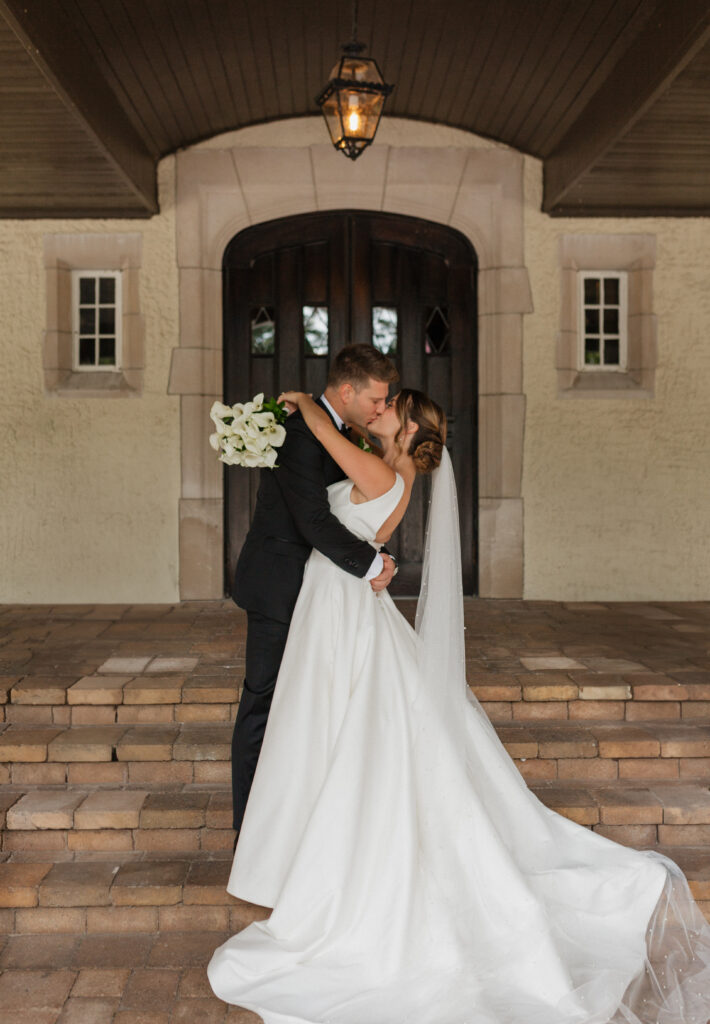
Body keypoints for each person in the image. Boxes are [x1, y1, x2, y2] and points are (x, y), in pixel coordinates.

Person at [210, 388, 710, 1024]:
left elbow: (324, 459)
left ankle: (321, 863)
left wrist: (306, 402)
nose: (379, 407)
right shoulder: (388, 470)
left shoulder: (381, 471)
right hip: (336, 608)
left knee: (343, 733)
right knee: (338, 731)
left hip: (339, 611)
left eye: (389, 404)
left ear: (410, 424)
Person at [229, 344, 400, 843]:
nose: (380, 409)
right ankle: (250, 832)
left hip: (319, 595)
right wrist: (371, 565)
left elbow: (358, 510)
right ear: (347, 390)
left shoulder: (337, 430)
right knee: (263, 702)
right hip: (279, 586)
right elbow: (314, 520)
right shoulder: (300, 430)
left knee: (302, 708)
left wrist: (379, 556)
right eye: (375, 399)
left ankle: (297, 825)